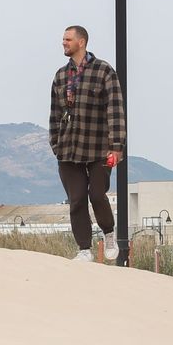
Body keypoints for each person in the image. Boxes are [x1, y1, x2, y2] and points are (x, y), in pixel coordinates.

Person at [49, 25, 126, 263]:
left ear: (81, 42)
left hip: (99, 147)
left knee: (97, 194)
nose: (64, 43)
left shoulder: (104, 71)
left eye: (68, 39)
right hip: (68, 149)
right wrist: (55, 142)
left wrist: (117, 146)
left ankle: (109, 233)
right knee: (77, 199)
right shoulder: (61, 75)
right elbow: (54, 112)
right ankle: (84, 248)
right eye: (63, 39)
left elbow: (115, 110)